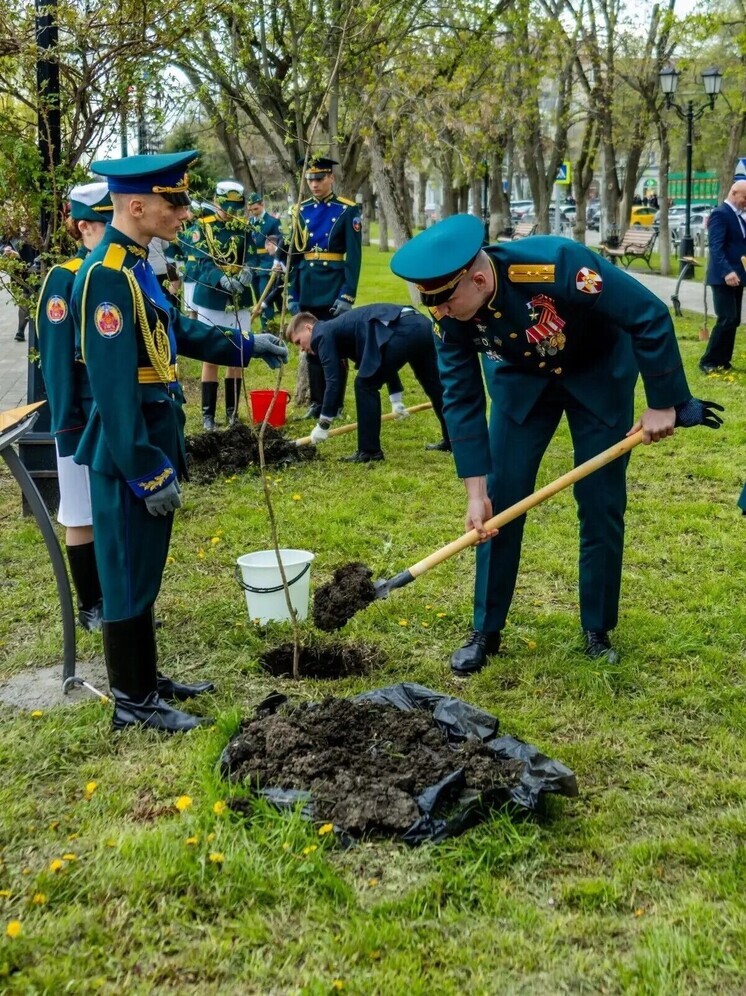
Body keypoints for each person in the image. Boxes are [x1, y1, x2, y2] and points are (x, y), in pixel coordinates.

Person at [391, 214, 723, 675]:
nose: (440, 313)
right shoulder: (448, 312)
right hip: (520, 386)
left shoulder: (558, 266)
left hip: (597, 374)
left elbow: (647, 314)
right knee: (499, 501)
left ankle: (597, 628)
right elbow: (461, 397)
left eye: (445, 303)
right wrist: (474, 489)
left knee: (602, 500)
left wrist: (666, 403)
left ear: (480, 279)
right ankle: (486, 629)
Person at [70, 151, 288, 733]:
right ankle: (132, 702)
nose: (185, 213)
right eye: (175, 202)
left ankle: (146, 680)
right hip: (128, 447)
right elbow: (113, 390)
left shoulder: (138, 263)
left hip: (153, 432)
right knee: (123, 572)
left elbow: (176, 329)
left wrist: (245, 345)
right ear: (137, 205)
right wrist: (146, 467)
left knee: (143, 568)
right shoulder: (108, 275)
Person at [36, 181, 112, 631]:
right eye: (106, 223)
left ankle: (118, 601)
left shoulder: (117, 271)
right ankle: (92, 605)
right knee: (81, 511)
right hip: (80, 417)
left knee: (111, 512)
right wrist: (65, 423)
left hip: (113, 414)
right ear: (84, 226)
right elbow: (58, 360)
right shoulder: (65, 277)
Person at [288, 154, 407, 420]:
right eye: (310, 179)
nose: (314, 184)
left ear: (331, 178)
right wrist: (291, 293)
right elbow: (294, 257)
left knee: (334, 348)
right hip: (307, 285)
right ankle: (317, 403)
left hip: (332, 288)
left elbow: (354, 257)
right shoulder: (300, 210)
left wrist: (347, 293)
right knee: (311, 351)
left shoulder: (346, 210)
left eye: (319, 178)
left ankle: (336, 404)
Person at [286, 305, 451, 462]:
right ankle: (453, 439)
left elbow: (333, 379)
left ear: (309, 328)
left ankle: (369, 451)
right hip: (420, 324)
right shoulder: (341, 332)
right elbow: (381, 356)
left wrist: (323, 423)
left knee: (364, 385)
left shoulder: (321, 333)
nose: (301, 349)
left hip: (400, 328)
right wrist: (396, 397)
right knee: (434, 385)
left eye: (299, 342)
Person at [192, 180, 256, 429]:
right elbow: (201, 262)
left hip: (239, 297)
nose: (230, 211)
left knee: (238, 355)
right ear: (216, 201)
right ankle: (208, 415)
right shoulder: (202, 227)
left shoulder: (243, 227)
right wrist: (221, 279)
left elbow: (250, 253)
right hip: (212, 296)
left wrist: (248, 269)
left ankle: (232, 413)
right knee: (211, 356)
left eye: (235, 207)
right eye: (226, 206)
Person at [699, 180, 746, 373]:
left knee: (733, 319)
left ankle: (723, 360)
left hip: (738, 276)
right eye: (745, 197)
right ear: (734, 192)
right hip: (722, 276)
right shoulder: (720, 214)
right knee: (726, 317)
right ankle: (708, 361)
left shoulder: (739, 217)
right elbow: (716, 247)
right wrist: (727, 271)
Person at [247, 192, 283, 327]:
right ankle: (265, 323)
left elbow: (279, 242)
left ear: (262, 205)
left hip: (267, 262)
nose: (253, 212)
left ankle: (268, 325)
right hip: (253, 263)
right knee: (257, 295)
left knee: (265, 294)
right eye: (251, 210)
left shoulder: (273, 222)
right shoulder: (249, 222)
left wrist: (277, 261)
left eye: (256, 209)